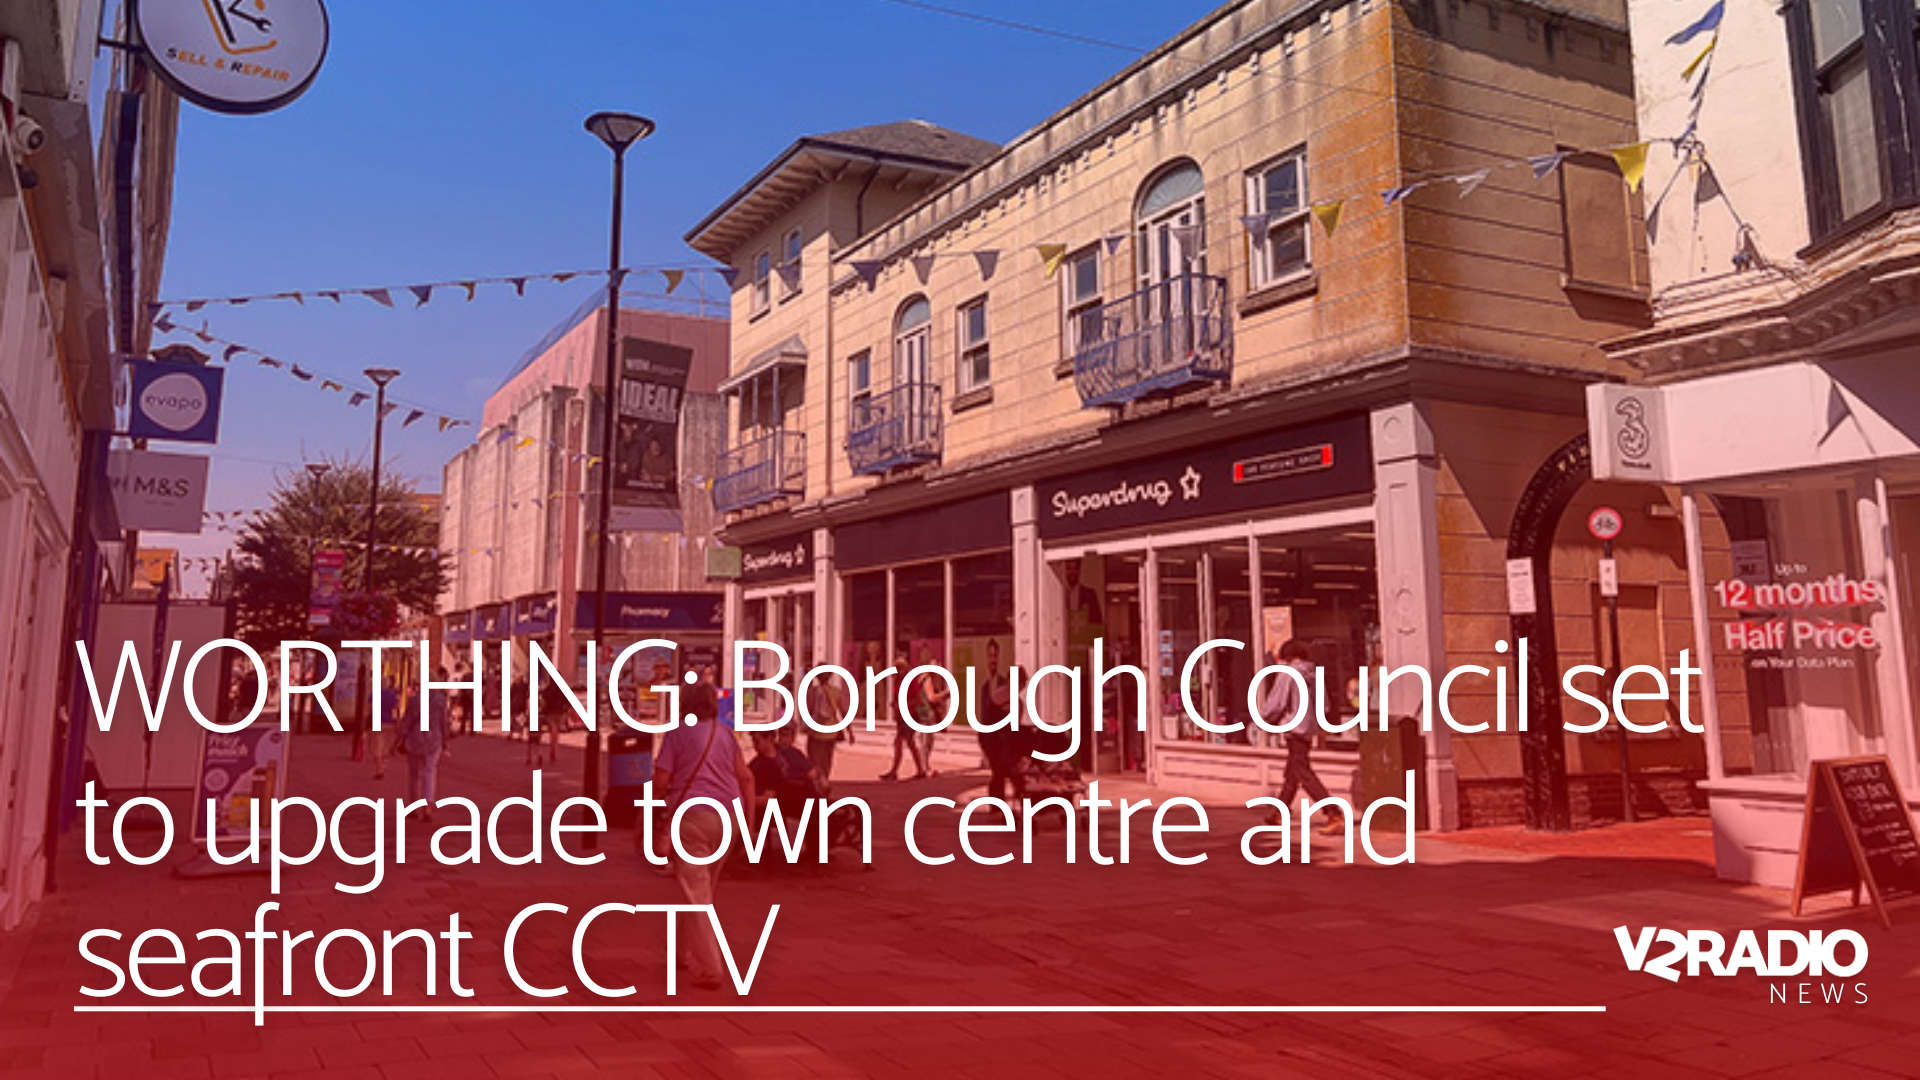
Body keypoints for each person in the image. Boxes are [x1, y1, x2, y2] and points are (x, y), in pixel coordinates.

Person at [650, 681, 753, 990]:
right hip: (729, 818)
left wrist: (649, 813)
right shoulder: (726, 734)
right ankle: (681, 952)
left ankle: (711, 967)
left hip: (693, 817)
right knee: (699, 888)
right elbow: (746, 778)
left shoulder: (676, 734)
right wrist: (748, 824)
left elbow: (661, 782)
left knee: (697, 893)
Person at [1261, 639, 1334, 828]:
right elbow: (1325, 706)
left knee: (1303, 772)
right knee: (1292, 773)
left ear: (1288, 656)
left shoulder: (1287, 674)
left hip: (1294, 729)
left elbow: (1276, 704)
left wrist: (1265, 719)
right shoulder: (1315, 674)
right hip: (1308, 729)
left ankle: (1333, 812)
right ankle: (1278, 813)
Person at [401, 668, 452, 812]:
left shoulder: (414, 700)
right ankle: (427, 805)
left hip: (415, 739)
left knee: (414, 774)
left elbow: (407, 721)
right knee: (430, 771)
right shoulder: (441, 701)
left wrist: (400, 738)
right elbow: (444, 722)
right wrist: (445, 741)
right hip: (434, 739)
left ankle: (413, 806)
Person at [879, 650, 930, 782]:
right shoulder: (897, 681)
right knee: (905, 743)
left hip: (910, 715)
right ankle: (918, 770)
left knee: (902, 742)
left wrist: (902, 704)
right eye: (897, 668)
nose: (899, 671)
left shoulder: (911, 681)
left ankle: (898, 771)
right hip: (901, 717)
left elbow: (918, 700)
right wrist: (894, 704)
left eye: (901, 668)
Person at [803, 673, 847, 780]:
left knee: (814, 759)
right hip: (831, 731)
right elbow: (843, 711)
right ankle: (824, 779)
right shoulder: (835, 691)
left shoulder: (812, 692)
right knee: (827, 759)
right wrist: (849, 731)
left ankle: (817, 781)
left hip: (815, 730)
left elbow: (808, 710)